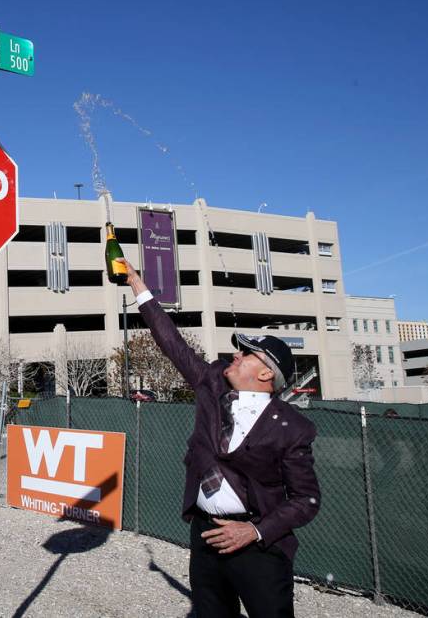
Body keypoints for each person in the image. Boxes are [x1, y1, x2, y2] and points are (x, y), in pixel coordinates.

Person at [118, 258, 320, 618]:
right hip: (205, 536)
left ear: (264, 373)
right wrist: (137, 284)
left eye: (245, 354)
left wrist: (255, 531)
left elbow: (307, 499)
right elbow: (172, 343)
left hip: (257, 545)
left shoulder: (292, 427)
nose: (235, 355)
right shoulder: (211, 384)